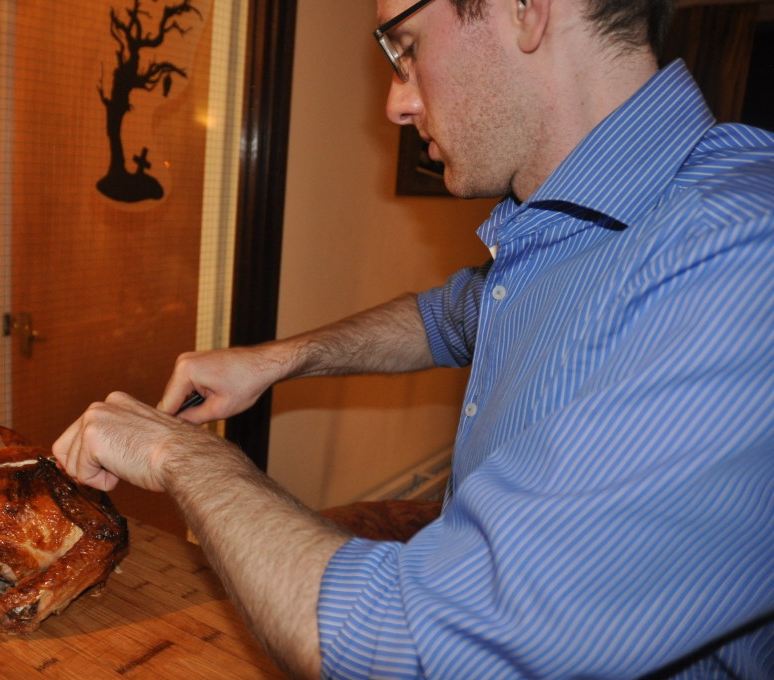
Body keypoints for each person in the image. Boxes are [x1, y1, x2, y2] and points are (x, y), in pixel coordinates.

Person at [53, 0, 774, 676]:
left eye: (405, 46)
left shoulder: (742, 259)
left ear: (526, 7)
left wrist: (173, 452)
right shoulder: (561, 226)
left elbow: (408, 642)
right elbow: (451, 316)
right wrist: (279, 360)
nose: (396, 102)